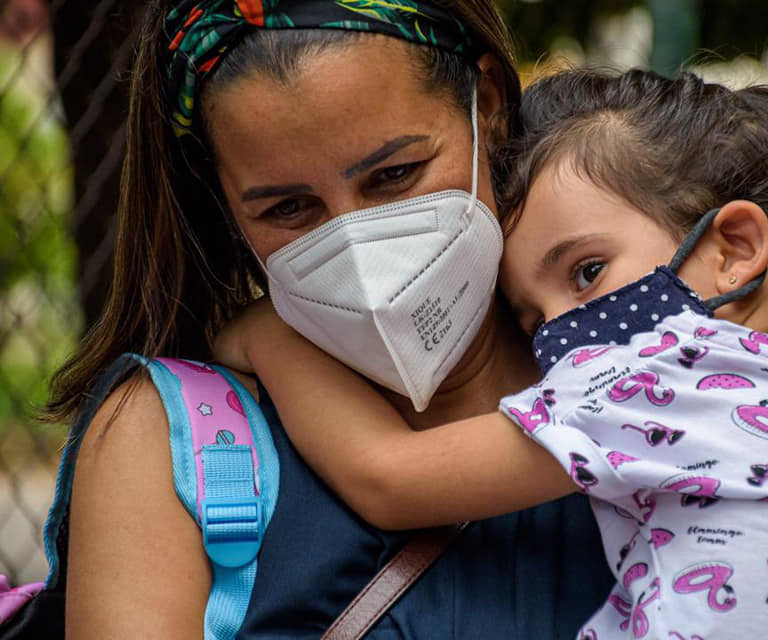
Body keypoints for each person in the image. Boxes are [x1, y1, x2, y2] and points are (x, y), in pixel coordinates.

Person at [216, 68, 768, 639]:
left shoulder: (669, 372)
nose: (557, 337)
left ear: (733, 249)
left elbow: (388, 478)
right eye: (530, 315)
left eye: (587, 273)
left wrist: (268, 338)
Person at [40, 1, 612, 637]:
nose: (357, 252)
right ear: (221, 194)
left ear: (487, 103)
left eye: (395, 174)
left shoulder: (663, 378)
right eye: (289, 209)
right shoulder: (168, 444)